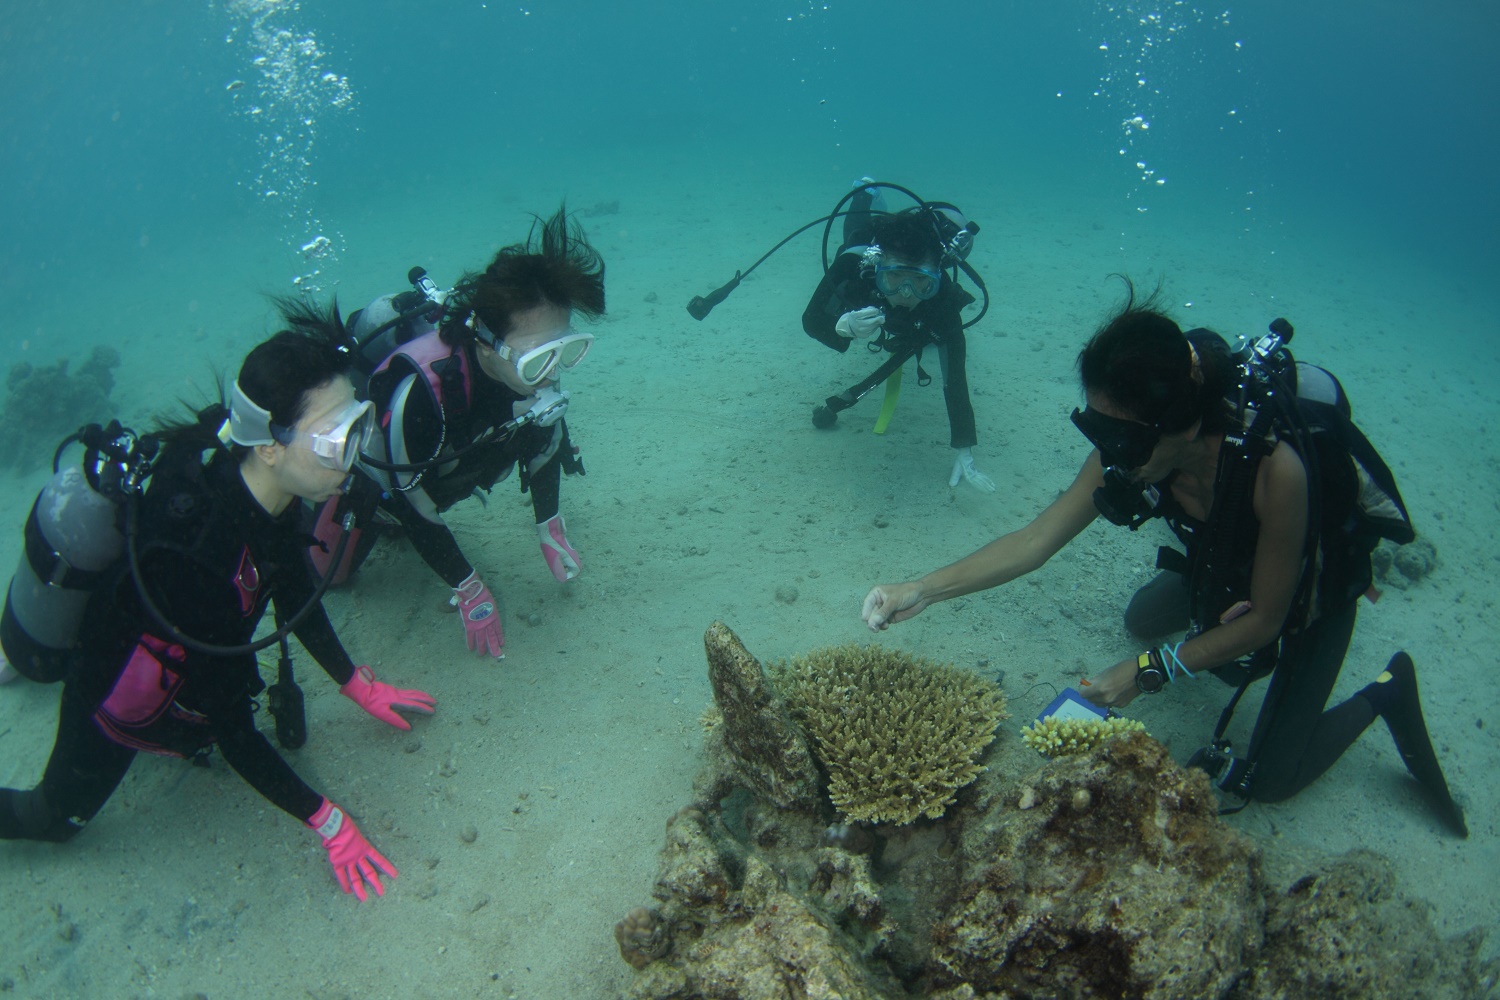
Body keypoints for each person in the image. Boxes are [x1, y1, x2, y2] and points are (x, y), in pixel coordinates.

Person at [860, 282, 1467, 836]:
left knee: (1274, 779)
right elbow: (1033, 541)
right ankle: (1203, 624)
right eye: (1099, 428)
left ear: (1181, 423)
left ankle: (1387, 690)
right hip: (1222, 567)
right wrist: (923, 588)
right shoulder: (1131, 443)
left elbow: (1266, 619)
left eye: (1122, 437)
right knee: (1142, 618)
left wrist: (1150, 669)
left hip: (1306, 593)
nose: (1111, 454)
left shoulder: (1276, 471)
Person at [0, 311, 438, 900]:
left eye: (358, 424)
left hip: (182, 643)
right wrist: (330, 823)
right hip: (109, 676)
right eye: (338, 439)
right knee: (51, 819)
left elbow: (288, 587)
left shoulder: (270, 488)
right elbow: (236, 732)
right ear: (270, 447)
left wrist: (355, 683)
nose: (354, 452)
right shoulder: (200, 564)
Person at [323, 205, 606, 660]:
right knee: (330, 575)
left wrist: (549, 526)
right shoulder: (419, 397)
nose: (552, 374)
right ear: (484, 344)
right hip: (389, 484)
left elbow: (546, 444)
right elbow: (413, 507)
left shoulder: (531, 376)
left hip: (447, 470)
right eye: (539, 359)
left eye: (565, 350)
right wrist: (469, 587)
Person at [802, 181, 995, 492]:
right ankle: (866, 193)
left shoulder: (941, 298)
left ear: (937, 278)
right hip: (866, 246)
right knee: (853, 233)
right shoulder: (856, 266)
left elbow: (954, 372)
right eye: (893, 277)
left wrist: (964, 448)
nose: (905, 294)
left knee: (933, 332)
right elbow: (811, 321)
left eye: (921, 282)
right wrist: (842, 327)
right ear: (877, 269)